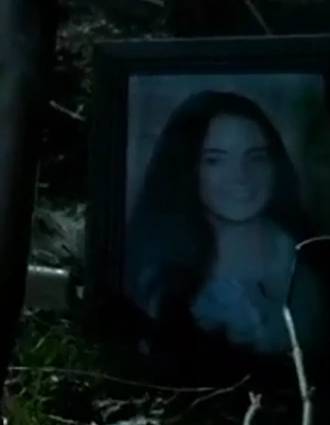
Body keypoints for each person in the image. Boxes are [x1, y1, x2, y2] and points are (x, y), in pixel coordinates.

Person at [126, 89, 327, 358]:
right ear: (186, 168)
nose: (241, 176)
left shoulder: (312, 257)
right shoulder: (156, 276)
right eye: (214, 160)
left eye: (256, 157)